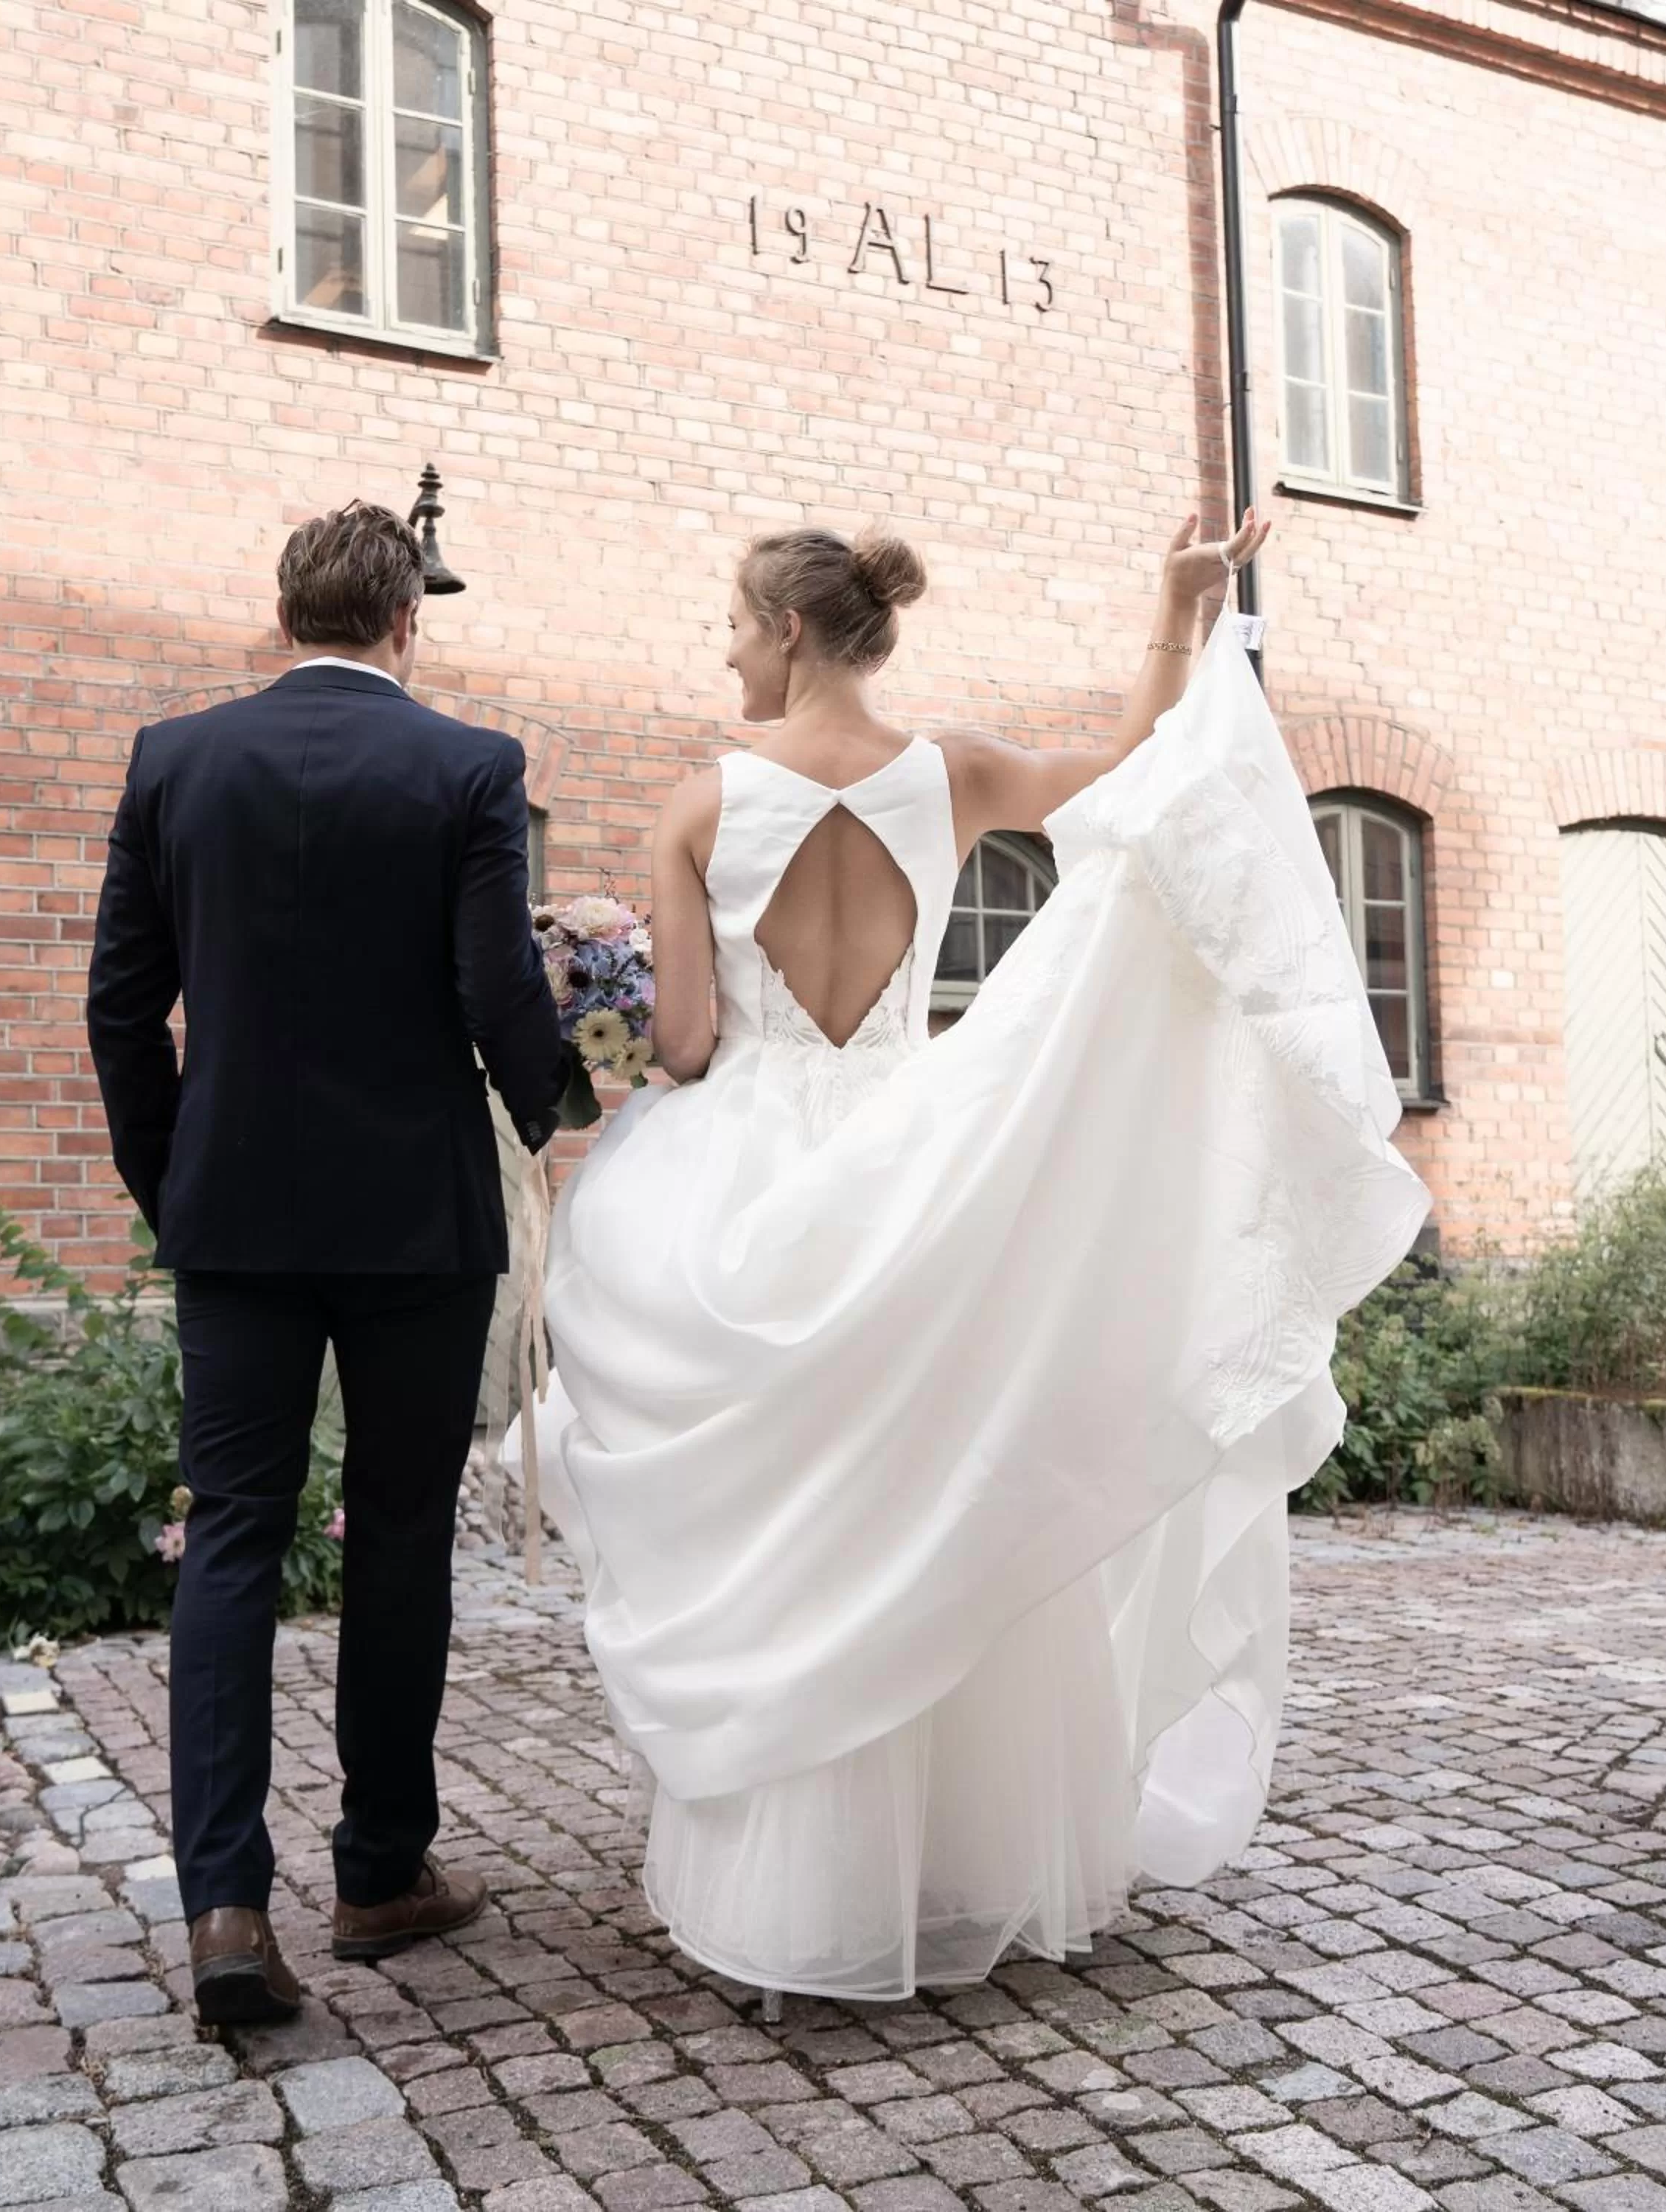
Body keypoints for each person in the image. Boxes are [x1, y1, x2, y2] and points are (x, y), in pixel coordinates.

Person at [520, 512, 1431, 2001]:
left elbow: (683, 1044)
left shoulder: (695, 811)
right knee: (940, 1481)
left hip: (743, 1172)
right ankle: (966, 1862)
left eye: (736, 626)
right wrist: (1176, 605)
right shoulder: (951, 774)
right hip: (915, 1159)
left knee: (807, 1517)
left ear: (793, 631)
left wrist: (597, 1010)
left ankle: (806, 1879)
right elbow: (1138, 773)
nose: (727, 648)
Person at [88, 501, 566, 2023]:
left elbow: (119, 1006)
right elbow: (497, 985)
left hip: (233, 1210)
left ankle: (227, 1905)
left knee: (231, 1535)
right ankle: (378, 1871)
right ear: (407, 624)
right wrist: (562, 1096)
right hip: (415, 1218)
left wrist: (178, 1182)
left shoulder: (176, 759)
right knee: (403, 1530)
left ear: (285, 613)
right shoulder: (468, 768)